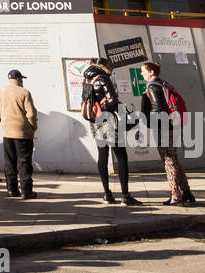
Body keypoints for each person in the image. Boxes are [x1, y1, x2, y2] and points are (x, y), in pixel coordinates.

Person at [82, 59, 140, 205]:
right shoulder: (102, 78)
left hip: (95, 122)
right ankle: (125, 196)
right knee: (121, 157)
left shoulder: (87, 79)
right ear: (104, 67)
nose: (111, 70)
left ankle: (107, 194)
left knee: (102, 156)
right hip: (110, 122)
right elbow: (112, 101)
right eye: (110, 67)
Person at [140, 61, 196, 206]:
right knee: (174, 159)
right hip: (173, 125)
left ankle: (175, 195)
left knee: (168, 161)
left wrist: (149, 122)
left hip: (162, 126)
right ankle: (187, 192)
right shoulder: (163, 83)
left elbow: (158, 109)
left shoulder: (152, 86)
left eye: (143, 71)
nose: (141, 74)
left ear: (152, 72)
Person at [0, 68, 38, 199]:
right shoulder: (24, 92)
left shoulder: (1, 92)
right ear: (18, 79)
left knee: (10, 162)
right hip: (22, 133)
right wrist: (33, 126)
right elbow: (30, 114)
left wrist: (4, 121)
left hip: (7, 132)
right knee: (24, 162)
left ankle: (11, 190)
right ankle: (26, 191)